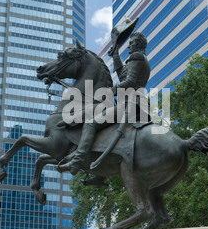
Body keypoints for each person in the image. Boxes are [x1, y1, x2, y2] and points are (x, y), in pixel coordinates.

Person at [58, 31, 151, 175]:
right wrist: (115, 56)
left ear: (137, 44)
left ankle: (77, 161)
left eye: (131, 43)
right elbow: (123, 76)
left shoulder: (136, 57)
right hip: (135, 105)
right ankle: (98, 175)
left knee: (91, 124)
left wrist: (109, 91)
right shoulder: (142, 60)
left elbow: (130, 82)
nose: (129, 47)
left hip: (129, 105)